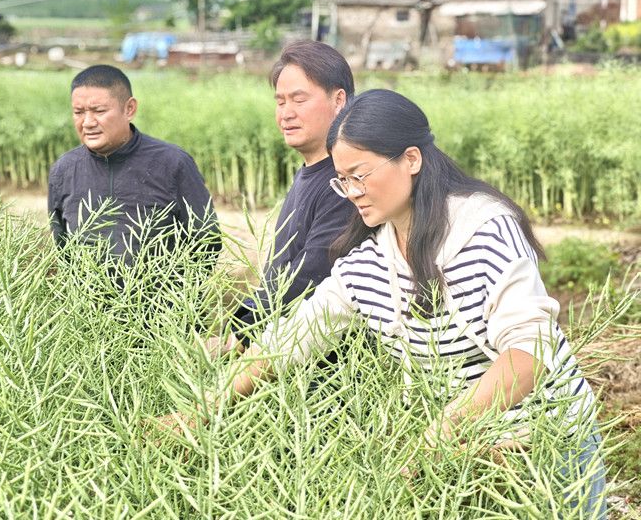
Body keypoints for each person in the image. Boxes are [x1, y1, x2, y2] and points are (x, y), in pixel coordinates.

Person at [166, 89, 606, 516]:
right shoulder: (370, 259)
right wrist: (203, 408)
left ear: (410, 159)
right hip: (469, 450)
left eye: (361, 174)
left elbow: (529, 351)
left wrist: (442, 432)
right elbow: (291, 339)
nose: (352, 190)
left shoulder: (484, 228)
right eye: (343, 180)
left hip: (546, 443)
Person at [210, 41, 356, 355]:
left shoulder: (344, 184)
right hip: (276, 341)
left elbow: (307, 280)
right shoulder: (310, 170)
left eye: (299, 99)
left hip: (312, 363)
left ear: (339, 100)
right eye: (280, 102)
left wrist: (239, 338)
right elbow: (280, 277)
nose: (286, 113)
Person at [48, 64, 220, 264]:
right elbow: (62, 243)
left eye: (99, 111)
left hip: (160, 295)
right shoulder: (64, 169)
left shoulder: (173, 163)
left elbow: (207, 240)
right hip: (88, 295)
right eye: (78, 112)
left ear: (129, 109)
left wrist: (174, 290)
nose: (87, 122)